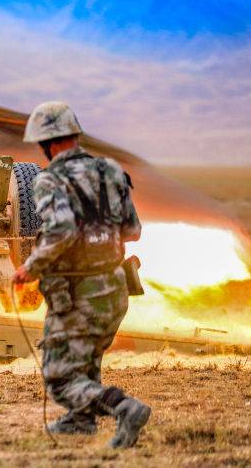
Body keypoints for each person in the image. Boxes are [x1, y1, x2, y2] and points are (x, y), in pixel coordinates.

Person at [12, 101, 151, 449]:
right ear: (74, 134)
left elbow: (60, 231)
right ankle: (80, 420)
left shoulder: (50, 180)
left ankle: (125, 409)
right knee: (87, 362)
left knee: (58, 377)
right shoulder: (111, 171)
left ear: (47, 143)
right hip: (115, 286)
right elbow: (133, 230)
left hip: (77, 291)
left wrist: (29, 268)